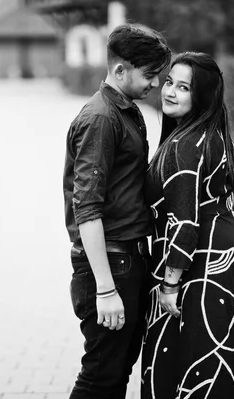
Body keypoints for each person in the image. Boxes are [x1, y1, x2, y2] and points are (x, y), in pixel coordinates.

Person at [140, 52, 234, 399]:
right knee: (230, 356)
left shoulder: (182, 148)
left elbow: (185, 222)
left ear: (200, 96)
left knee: (200, 365)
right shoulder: (210, 134)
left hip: (201, 264)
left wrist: (169, 284)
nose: (169, 91)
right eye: (169, 82)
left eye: (183, 87)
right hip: (231, 252)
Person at [63, 24, 171, 399]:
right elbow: (87, 209)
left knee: (115, 375)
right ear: (121, 69)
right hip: (110, 267)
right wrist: (106, 289)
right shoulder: (101, 118)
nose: (156, 84)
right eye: (150, 75)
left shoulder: (125, 111)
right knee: (100, 378)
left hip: (126, 262)